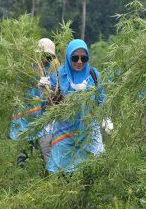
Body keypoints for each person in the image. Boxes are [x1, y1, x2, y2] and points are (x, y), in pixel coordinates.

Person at [46, 39, 111, 173]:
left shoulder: (93, 75)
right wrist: (45, 90)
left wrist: (106, 117)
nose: (79, 62)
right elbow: (50, 101)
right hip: (64, 131)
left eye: (84, 58)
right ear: (69, 57)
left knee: (90, 168)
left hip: (88, 131)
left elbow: (102, 97)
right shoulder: (58, 76)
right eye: (75, 58)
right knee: (63, 170)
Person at [9, 38, 58, 167]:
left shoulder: (51, 71)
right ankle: (22, 184)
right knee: (22, 158)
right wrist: (36, 85)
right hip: (23, 122)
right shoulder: (25, 70)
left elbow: (53, 97)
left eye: (48, 57)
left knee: (46, 155)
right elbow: (18, 93)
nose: (45, 59)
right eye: (43, 55)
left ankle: (52, 184)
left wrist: (50, 90)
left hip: (41, 122)